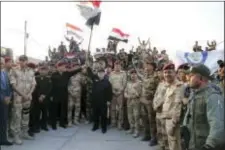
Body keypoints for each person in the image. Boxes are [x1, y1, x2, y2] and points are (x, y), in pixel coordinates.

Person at [183, 64, 225, 150]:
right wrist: (184, 129)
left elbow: (217, 125)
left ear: (201, 78)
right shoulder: (194, 94)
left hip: (206, 145)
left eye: (191, 76)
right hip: (194, 143)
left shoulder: (212, 96)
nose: (188, 78)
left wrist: (209, 146)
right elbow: (189, 116)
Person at [9, 55, 36, 145]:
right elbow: (13, 85)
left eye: (24, 60)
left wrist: (29, 94)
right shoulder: (14, 71)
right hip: (18, 98)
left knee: (26, 116)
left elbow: (33, 84)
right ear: (19, 61)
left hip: (27, 98)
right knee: (16, 117)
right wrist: (23, 95)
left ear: (27, 61)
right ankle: (16, 136)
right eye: (21, 60)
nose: (23, 62)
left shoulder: (31, 71)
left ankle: (24, 133)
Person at [161, 63, 184, 150]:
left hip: (173, 122)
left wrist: (173, 124)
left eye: (169, 72)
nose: (167, 74)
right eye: (165, 72)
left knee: (175, 146)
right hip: (167, 120)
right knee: (171, 144)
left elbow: (177, 107)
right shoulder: (169, 86)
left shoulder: (179, 86)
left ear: (175, 73)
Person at [91, 69, 112, 133]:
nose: (100, 74)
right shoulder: (95, 81)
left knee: (103, 115)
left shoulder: (107, 82)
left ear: (104, 74)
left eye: (102, 73)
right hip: (95, 101)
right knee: (95, 114)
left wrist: (108, 100)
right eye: (99, 73)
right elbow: (93, 91)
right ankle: (95, 126)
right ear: (97, 74)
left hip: (103, 101)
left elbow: (109, 92)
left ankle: (104, 128)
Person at [0, 57, 13, 146]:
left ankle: (3, 139)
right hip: (1, 98)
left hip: (5, 101)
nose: (1, 64)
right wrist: (3, 97)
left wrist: (9, 97)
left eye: (2, 63)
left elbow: (9, 87)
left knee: (4, 121)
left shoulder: (4, 73)